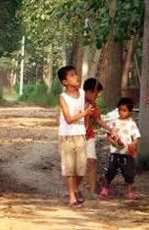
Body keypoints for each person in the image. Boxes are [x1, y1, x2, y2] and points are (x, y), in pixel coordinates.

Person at [57, 65, 94, 208]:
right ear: (65, 82)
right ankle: (72, 197)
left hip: (80, 134)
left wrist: (89, 110)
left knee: (81, 169)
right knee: (70, 168)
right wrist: (84, 114)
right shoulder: (63, 97)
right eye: (71, 75)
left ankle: (75, 189)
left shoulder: (83, 93)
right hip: (66, 135)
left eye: (76, 74)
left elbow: (90, 102)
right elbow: (68, 119)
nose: (76, 77)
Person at [99, 97, 141, 200]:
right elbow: (109, 136)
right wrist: (114, 142)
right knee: (110, 172)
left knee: (129, 174)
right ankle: (105, 188)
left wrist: (133, 145)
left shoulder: (132, 124)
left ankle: (129, 191)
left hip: (127, 153)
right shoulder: (114, 122)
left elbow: (136, 138)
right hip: (115, 152)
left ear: (129, 112)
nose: (121, 113)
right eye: (119, 110)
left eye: (124, 110)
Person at [82, 78, 113, 198]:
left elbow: (98, 119)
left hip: (89, 136)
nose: (97, 97)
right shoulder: (76, 101)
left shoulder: (93, 104)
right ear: (89, 92)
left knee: (92, 161)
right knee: (77, 165)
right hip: (76, 137)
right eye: (96, 94)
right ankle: (74, 190)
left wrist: (110, 129)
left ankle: (93, 190)